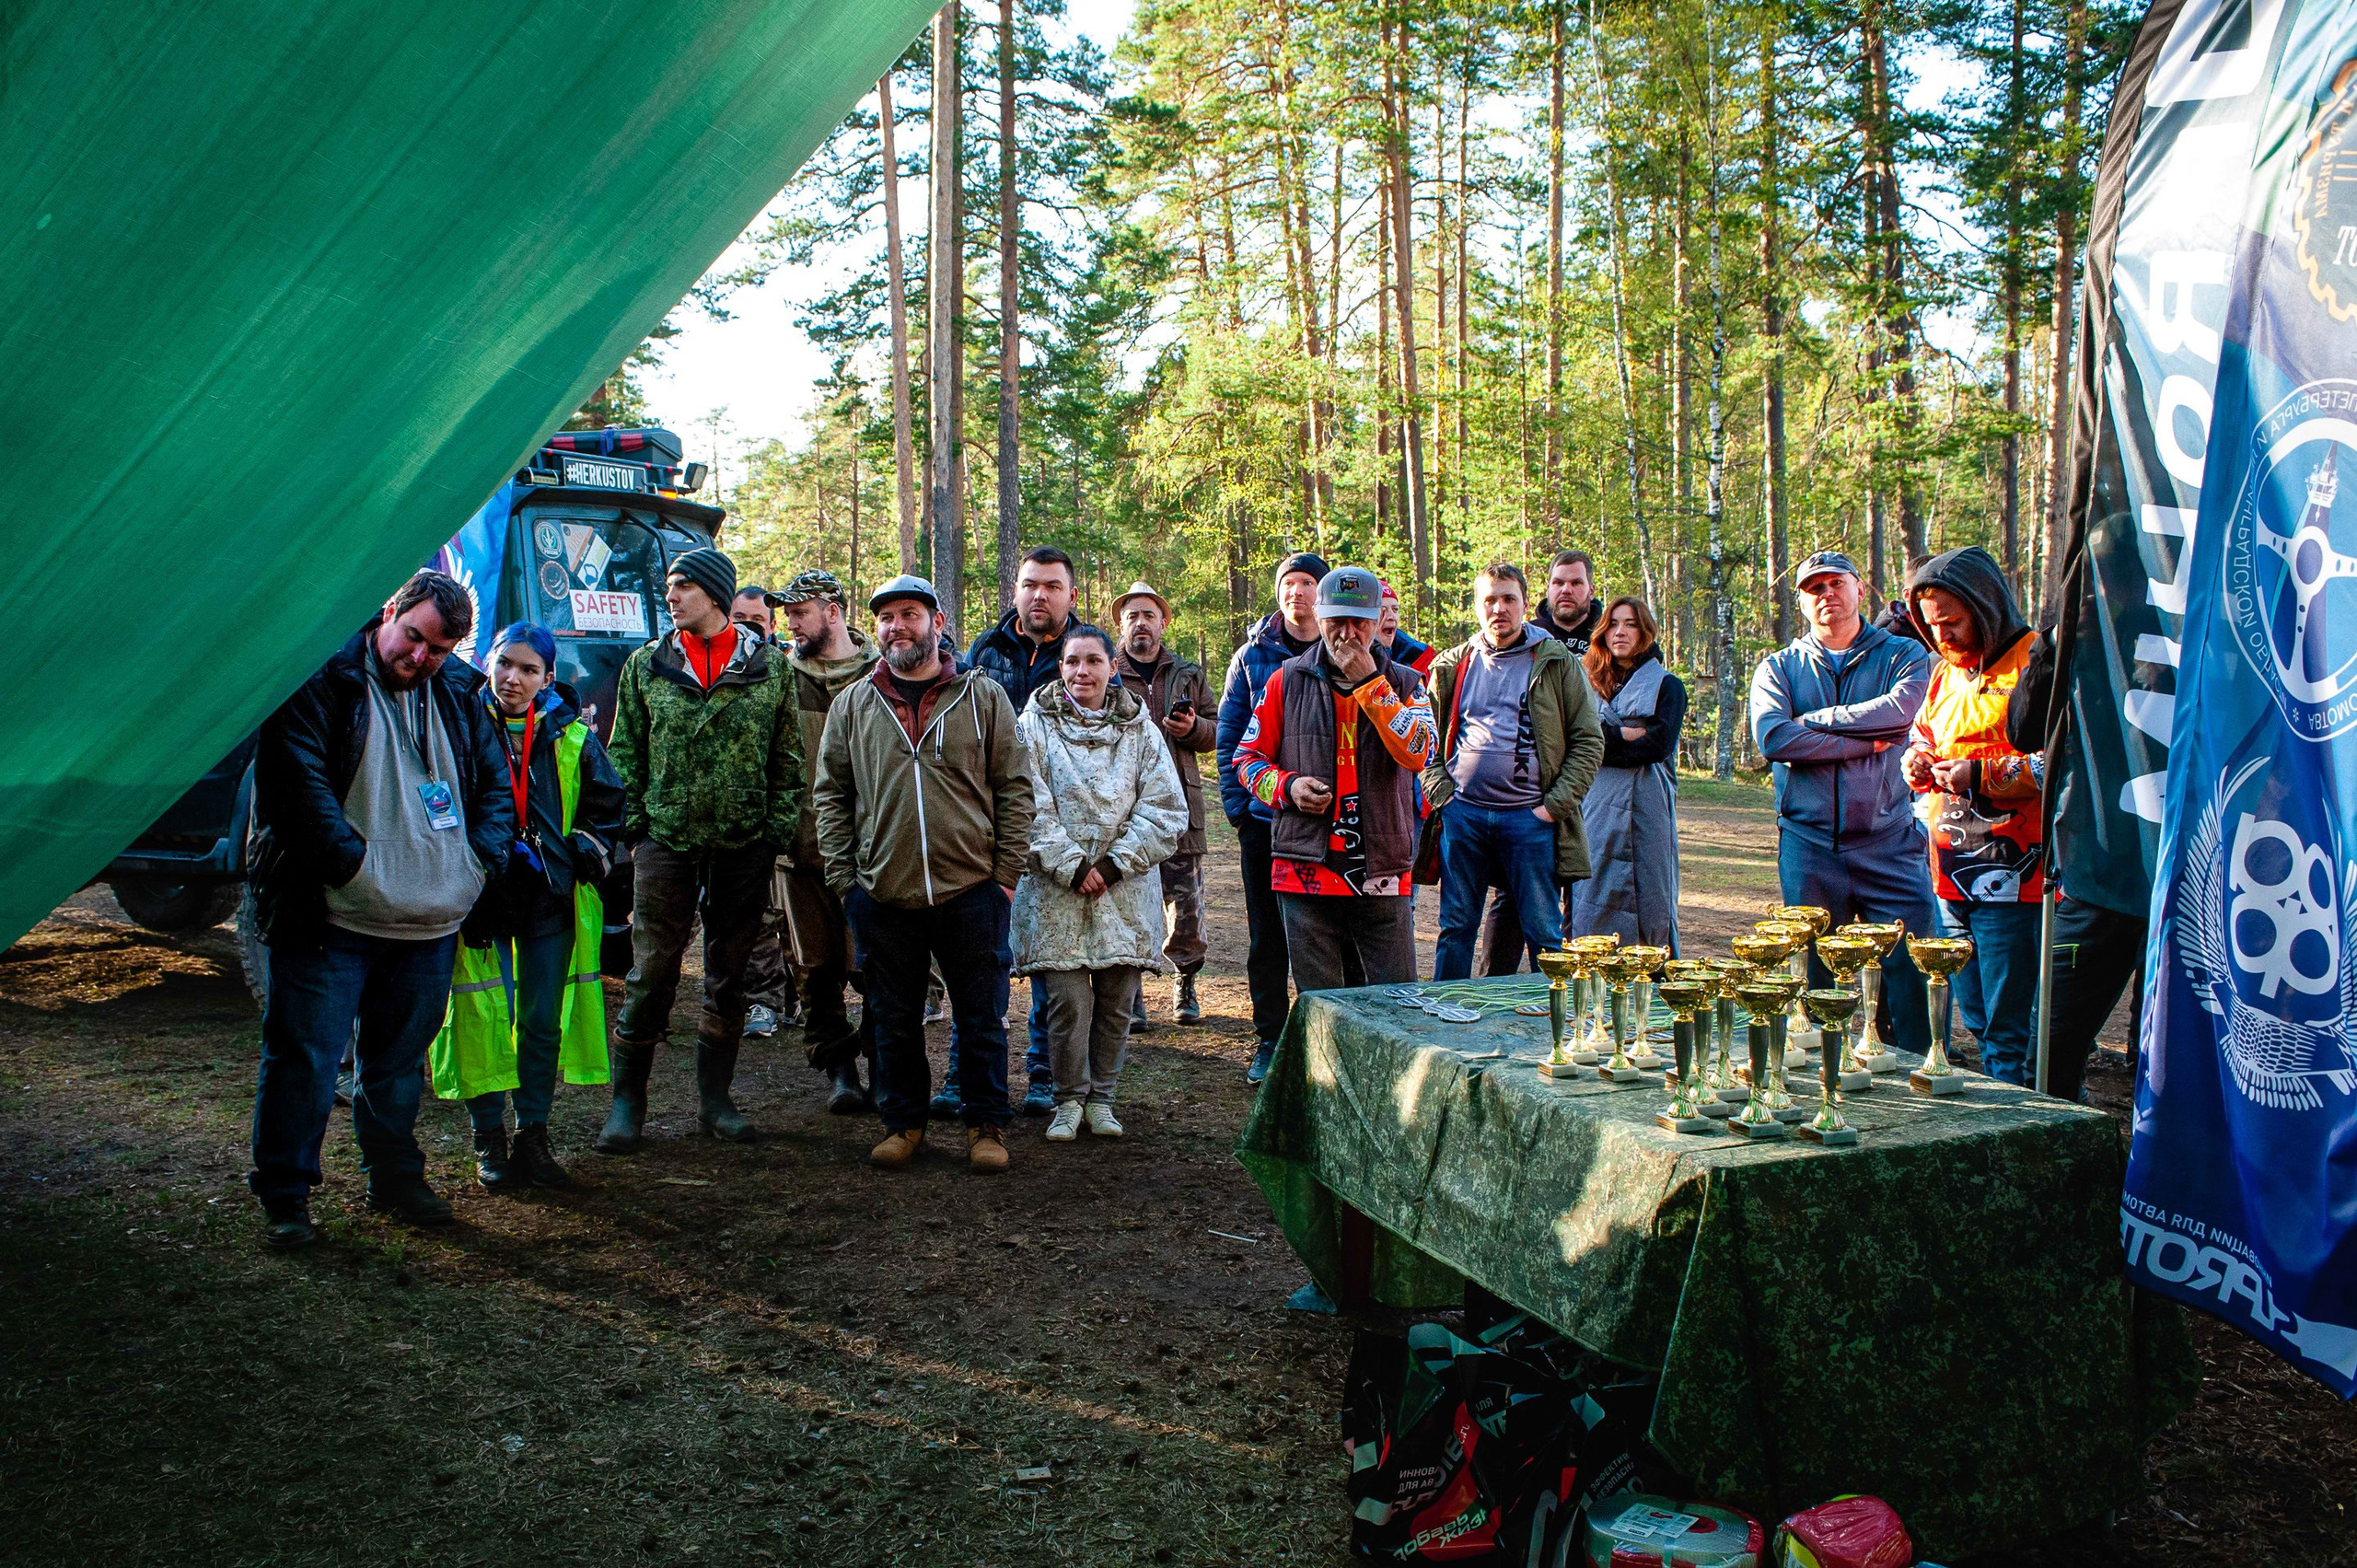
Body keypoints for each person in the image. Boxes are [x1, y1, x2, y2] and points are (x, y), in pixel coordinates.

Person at [246, 570, 514, 1248]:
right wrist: (355, 868)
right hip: (330, 914)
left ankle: (393, 1177)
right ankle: (286, 1195)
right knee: (306, 1060)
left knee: (396, 1064)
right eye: (413, 637)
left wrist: (471, 868)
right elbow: (293, 784)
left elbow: (495, 792)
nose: (419, 657)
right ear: (390, 611)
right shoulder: (323, 677)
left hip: (430, 920)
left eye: (439, 650)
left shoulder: (459, 694)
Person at [817, 575, 1035, 1174]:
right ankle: (904, 1123)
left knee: (981, 1016)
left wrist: (1005, 877)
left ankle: (986, 1123)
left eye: (910, 614)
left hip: (972, 888)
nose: (897, 627)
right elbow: (831, 794)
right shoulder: (854, 704)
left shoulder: (982, 697)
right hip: (883, 891)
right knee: (893, 1017)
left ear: (937, 623)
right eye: (886, 617)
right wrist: (847, 882)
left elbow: (1015, 787)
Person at [599, 546, 804, 1153]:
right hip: (666, 841)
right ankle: (627, 1104)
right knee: (652, 970)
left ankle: (716, 1102)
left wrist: (772, 833)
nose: (671, 596)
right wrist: (638, 829)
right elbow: (624, 751)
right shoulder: (647, 665)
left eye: (683, 585)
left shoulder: (769, 668)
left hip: (744, 844)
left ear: (714, 593)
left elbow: (788, 758)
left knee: (729, 974)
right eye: (669, 586)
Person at [432, 622, 627, 1191]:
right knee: (482, 1014)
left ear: (547, 678)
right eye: (504, 664)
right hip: (481, 901)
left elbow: (607, 805)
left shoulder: (573, 736)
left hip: (548, 901)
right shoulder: (459, 727)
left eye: (528, 669)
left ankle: (533, 1136)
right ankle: (487, 1138)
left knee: (541, 1023)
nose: (512, 679)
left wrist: (583, 852)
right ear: (487, 663)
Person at [1748, 548, 1934, 1054]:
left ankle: (1923, 1069)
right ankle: (1823, 1076)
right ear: (1802, 602)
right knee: (1813, 976)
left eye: (1836, 583)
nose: (1827, 594)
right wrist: (1863, 742)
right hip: (1809, 845)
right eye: (1814, 588)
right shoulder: (1779, 668)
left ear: (1859, 589)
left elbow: (1900, 712)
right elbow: (1774, 738)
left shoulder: (1902, 654)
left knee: (1913, 972)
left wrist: (1817, 721)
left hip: (1889, 840)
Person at [1013, 628, 1189, 1141]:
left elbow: (1164, 807)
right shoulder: (1032, 726)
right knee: (1067, 1003)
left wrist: (1111, 866)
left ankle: (1102, 1099)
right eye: (1072, 661)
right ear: (1060, 667)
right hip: (1055, 890)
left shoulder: (1142, 730)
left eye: (1093, 661)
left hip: (1124, 890)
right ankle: (1068, 1100)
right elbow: (1024, 801)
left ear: (1113, 666)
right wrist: (1070, 865)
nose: (1082, 671)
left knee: (1116, 1001)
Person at [1235, 564, 1437, 993]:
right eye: (1336, 621)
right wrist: (1288, 787)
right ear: (1319, 617)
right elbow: (1246, 760)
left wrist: (1371, 683)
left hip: (1383, 869)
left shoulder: (1407, 684)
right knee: (1320, 1002)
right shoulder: (1285, 680)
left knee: (1397, 1000)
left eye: (1359, 623)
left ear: (1377, 621)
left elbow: (1421, 753)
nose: (1347, 634)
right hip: (1305, 867)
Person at [963, 544, 1105, 1116]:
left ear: (1072, 594)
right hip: (987, 829)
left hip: (1059, 838)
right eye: (1030, 585)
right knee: (982, 956)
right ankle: (965, 1075)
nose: (1039, 595)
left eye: (1051, 586)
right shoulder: (986, 651)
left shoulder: (1083, 655)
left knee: (1052, 960)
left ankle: (1045, 1075)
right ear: (1016, 591)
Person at [1901, 546, 2045, 1086]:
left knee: (2009, 1030)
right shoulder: (1945, 674)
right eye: (1931, 626)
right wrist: (1916, 761)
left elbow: (2064, 759)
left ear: (1985, 607)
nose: (1942, 636)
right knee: (1977, 1019)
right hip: (1949, 873)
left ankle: (2019, 1119)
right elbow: (1923, 735)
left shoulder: (2036, 660)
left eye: (1952, 622)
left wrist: (1980, 775)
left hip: (2015, 875)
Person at [1423, 562, 1605, 981]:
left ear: (1525, 604)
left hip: (1530, 819)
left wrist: (1552, 808)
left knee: (1543, 931)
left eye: (1509, 599)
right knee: (1455, 929)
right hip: (1463, 815)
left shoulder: (1556, 662)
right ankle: (1447, 1011)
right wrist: (1443, 797)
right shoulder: (1452, 665)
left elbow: (1589, 741)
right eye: (1489, 600)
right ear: (1476, 606)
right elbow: (1426, 740)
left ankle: (1553, 1014)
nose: (1499, 608)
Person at [774, 569, 883, 1112]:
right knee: (814, 969)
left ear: (833, 613)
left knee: (879, 967)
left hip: (873, 852)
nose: (791, 624)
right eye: (788, 614)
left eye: (800, 612)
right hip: (801, 850)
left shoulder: (881, 672)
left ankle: (884, 1064)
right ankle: (840, 1071)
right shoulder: (780, 677)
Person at [1216, 551, 1328, 1082]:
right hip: (1264, 820)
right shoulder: (1252, 657)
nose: (1296, 592)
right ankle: (1270, 1039)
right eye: (1288, 583)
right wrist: (1240, 811)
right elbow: (1229, 734)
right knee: (1266, 935)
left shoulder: (1342, 646)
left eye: (1306, 583)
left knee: (1320, 933)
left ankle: (1322, 1039)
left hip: (1326, 820)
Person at [1111, 580, 1215, 1026]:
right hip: (1123, 811)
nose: (1141, 623)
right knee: (1128, 905)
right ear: (1121, 624)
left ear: (1163, 623)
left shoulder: (1188, 674)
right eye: (1132, 616)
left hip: (1180, 810)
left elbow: (1218, 730)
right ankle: (1130, 994)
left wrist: (1193, 729)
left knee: (1186, 909)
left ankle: (1185, 982)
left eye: (1148, 616)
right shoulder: (1106, 671)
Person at [1572, 598, 1686, 948]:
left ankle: (1650, 969)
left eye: (1631, 624)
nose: (1620, 632)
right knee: (1593, 889)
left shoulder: (1668, 686)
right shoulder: (1585, 683)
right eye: (1613, 624)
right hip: (1595, 808)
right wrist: (1625, 732)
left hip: (1647, 806)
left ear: (1645, 631)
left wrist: (1601, 739)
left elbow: (1656, 746)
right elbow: (1573, 739)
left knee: (1650, 894)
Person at [725, 582, 798, 1036]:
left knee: (787, 917)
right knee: (751, 917)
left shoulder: (785, 672)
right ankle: (762, 1001)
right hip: (733, 819)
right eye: (740, 619)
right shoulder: (717, 670)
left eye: (757, 621)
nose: (749, 628)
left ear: (772, 627)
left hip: (781, 814)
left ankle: (788, 998)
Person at [1533, 550, 1603, 654]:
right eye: (1558, 583)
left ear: (1591, 591)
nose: (1566, 590)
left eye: (1576, 583)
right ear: (1548, 589)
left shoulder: (1608, 635)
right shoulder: (1527, 637)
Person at [1376, 581, 1435, 677]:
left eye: (1395, 609)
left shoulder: (1419, 657)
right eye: (1382, 610)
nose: (1391, 617)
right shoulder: (1351, 658)